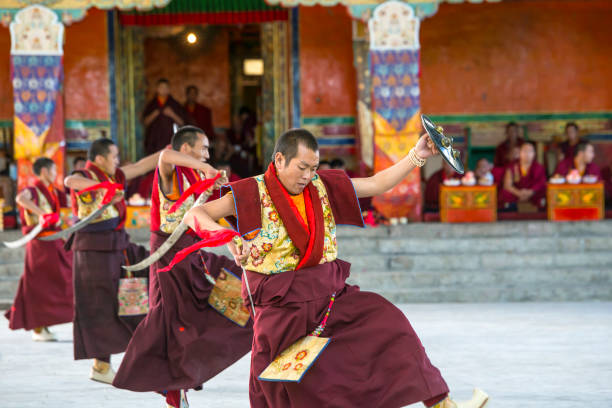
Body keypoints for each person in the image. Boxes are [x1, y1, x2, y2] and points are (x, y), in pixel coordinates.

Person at [185, 128, 488, 408]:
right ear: (279, 159)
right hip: (282, 307)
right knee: (283, 387)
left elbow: (376, 184)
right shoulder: (252, 191)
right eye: (301, 167)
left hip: (330, 297)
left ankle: (442, 404)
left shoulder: (322, 185)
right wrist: (228, 236)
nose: (308, 175)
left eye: (313, 168)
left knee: (390, 324)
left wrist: (417, 155)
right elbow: (194, 215)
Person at [113, 126, 253, 408]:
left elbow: (208, 215)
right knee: (171, 318)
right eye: (204, 148)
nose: (207, 154)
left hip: (192, 253)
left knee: (238, 288)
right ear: (186, 149)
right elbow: (165, 155)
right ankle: (172, 388)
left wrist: (230, 242)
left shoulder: (194, 175)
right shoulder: (170, 172)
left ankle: (186, 373)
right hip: (168, 255)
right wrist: (208, 168)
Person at [64, 138, 162, 384]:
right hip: (93, 251)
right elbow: (70, 181)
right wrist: (103, 189)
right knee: (100, 304)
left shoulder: (114, 177)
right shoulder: (85, 175)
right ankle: (101, 365)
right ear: (99, 159)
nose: (117, 161)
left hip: (117, 246)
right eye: (114, 156)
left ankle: (146, 351)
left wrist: (168, 151)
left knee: (138, 289)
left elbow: (141, 166)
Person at [4, 157, 73, 342]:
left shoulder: (51, 192)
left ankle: (43, 325)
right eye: (53, 170)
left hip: (53, 242)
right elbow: (20, 198)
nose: (55, 174)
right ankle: (39, 327)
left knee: (59, 279)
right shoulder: (32, 190)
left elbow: (67, 204)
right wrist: (44, 214)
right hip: (40, 245)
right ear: (43, 171)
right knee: (41, 284)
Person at [143, 78, 189, 155]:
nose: (163, 90)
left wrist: (172, 114)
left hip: (170, 139)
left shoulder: (174, 104)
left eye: (166, 88)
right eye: (161, 87)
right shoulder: (151, 104)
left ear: (169, 89)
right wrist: (154, 114)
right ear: (157, 89)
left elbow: (182, 123)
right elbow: (145, 122)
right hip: (154, 141)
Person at [499, 142, 547, 211]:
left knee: (543, 192)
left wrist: (529, 192)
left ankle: (539, 211)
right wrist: (518, 193)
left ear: (534, 154)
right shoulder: (512, 166)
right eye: (525, 151)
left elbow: (541, 183)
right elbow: (507, 185)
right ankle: (511, 210)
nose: (527, 154)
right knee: (505, 193)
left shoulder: (539, 167)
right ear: (520, 153)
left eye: (530, 151)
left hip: (532, 193)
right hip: (516, 193)